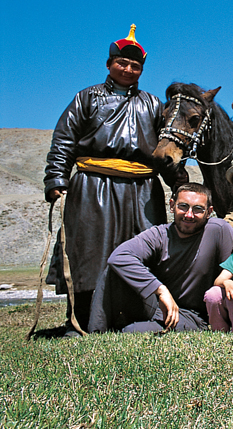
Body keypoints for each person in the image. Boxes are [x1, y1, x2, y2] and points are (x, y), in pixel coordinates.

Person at [43, 24, 184, 337]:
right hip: (94, 186)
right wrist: (56, 177)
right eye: (122, 63)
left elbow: (164, 150)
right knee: (90, 254)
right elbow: (64, 139)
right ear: (109, 64)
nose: (128, 69)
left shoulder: (152, 104)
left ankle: (136, 318)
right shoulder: (86, 98)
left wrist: (180, 184)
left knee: (146, 252)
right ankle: (81, 322)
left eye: (136, 65)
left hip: (143, 190)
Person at [102, 183, 233, 333]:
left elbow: (232, 272)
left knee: (131, 331)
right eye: (183, 206)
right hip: (158, 304)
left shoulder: (219, 231)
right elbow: (119, 257)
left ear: (209, 212)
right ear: (172, 205)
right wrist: (160, 290)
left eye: (198, 209)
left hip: (192, 316)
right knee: (113, 271)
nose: (189, 215)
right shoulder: (159, 234)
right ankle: (97, 330)